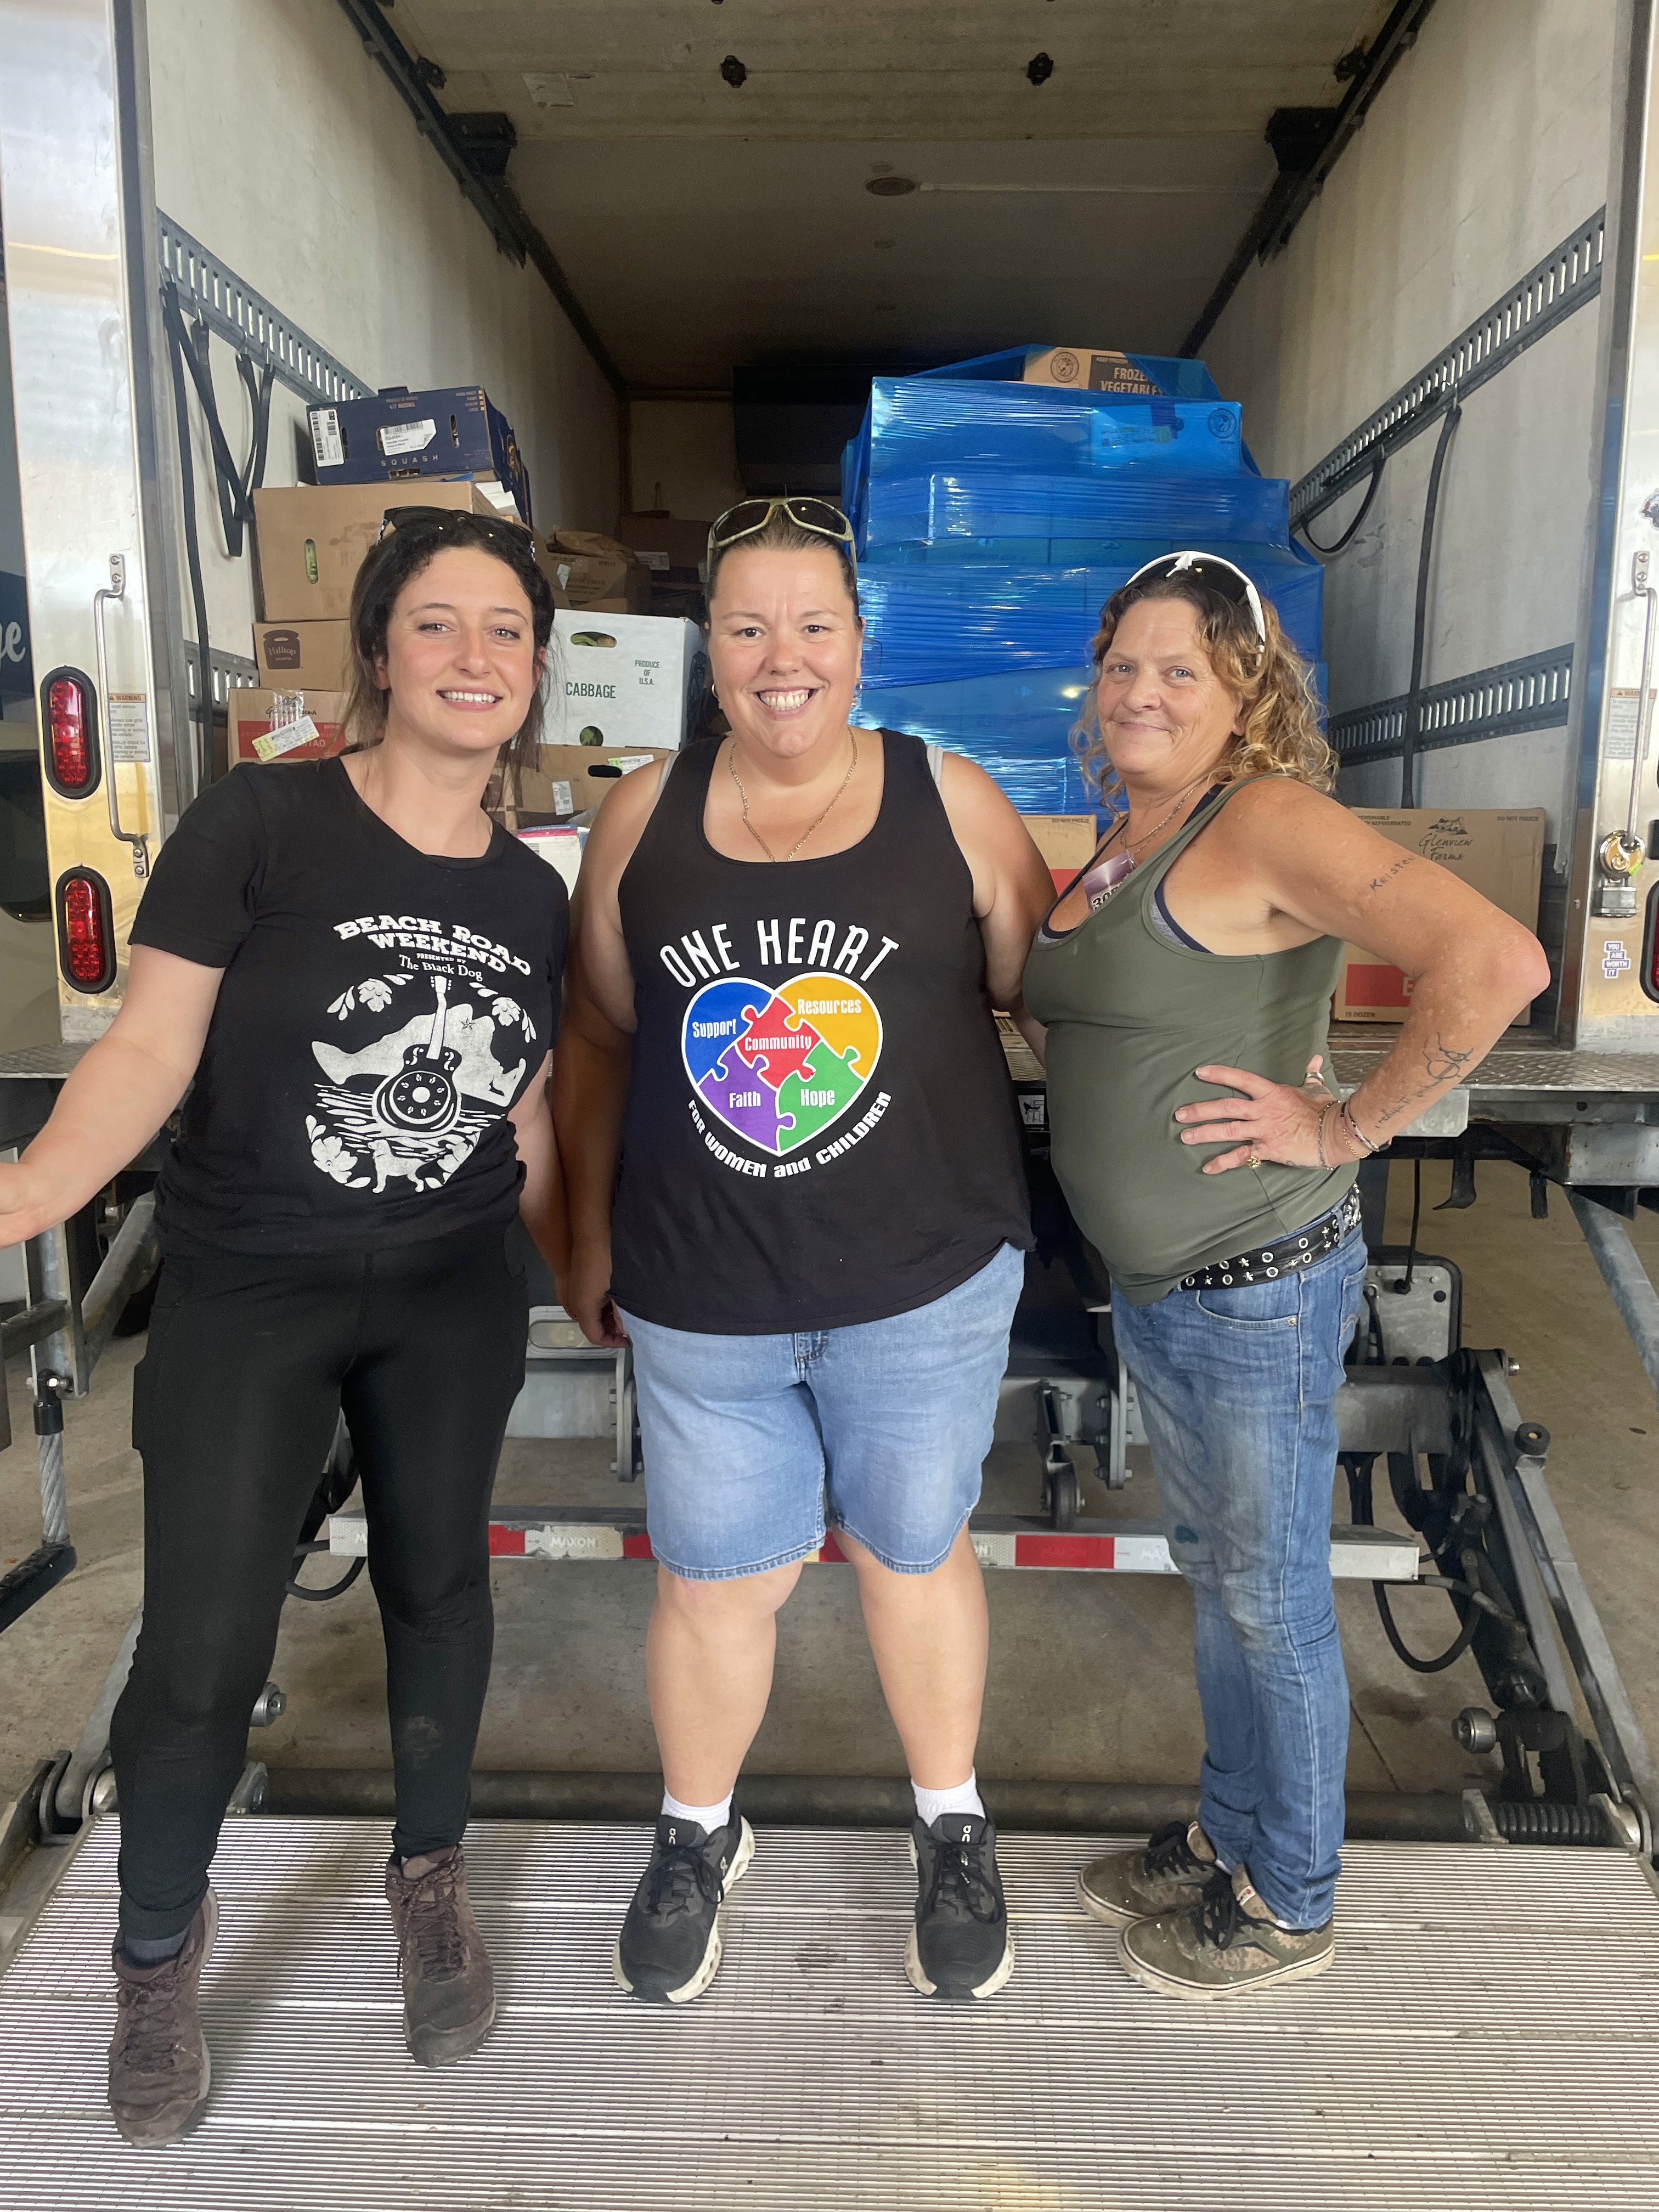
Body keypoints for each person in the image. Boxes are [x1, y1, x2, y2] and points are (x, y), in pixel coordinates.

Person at [0, 509, 569, 2142]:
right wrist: (40, 1188)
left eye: (507, 633)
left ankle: (428, 1880)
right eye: (443, 626)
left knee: (441, 1593)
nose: (477, 658)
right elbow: (150, 1045)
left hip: (454, 1284)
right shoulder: (259, 821)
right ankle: (155, 1958)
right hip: (254, 1276)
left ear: (534, 673)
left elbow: (522, 1113)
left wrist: (588, 1264)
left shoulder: (531, 894)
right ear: (382, 650)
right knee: (201, 1641)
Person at [1023, 550, 1548, 2000]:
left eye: (1177, 668)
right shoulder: (1132, 834)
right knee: (1223, 1579)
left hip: (1257, 1275)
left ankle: (1291, 1895)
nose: (1138, 690)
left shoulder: (1262, 819)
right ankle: (1229, 1831)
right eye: (1121, 663)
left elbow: (1493, 958)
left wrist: (1347, 1120)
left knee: (1268, 1591)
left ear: (1245, 691)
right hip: (1167, 1287)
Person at [555, 496, 1053, 2006]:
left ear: (860, 642)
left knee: (912, 1553)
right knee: (714, 1582)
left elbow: (1043, 1007)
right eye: (752, 628)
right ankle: (697, 1832)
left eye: (815, 626)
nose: (786, 660)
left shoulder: (953, 801)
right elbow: (593, 1037)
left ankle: (952, 1824)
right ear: (712, 653)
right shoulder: (639, 816)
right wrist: (582, 1231)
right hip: (706, 1296)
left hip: (922, 1282)